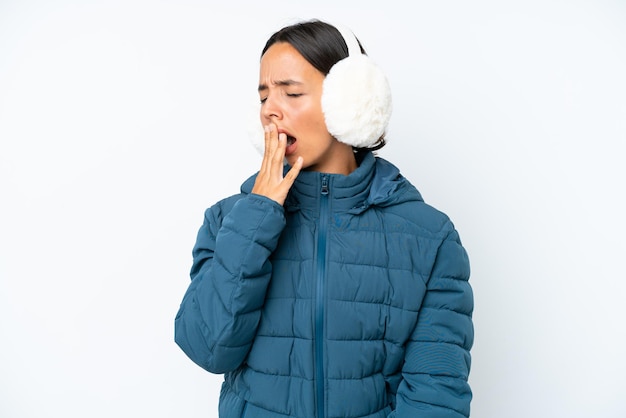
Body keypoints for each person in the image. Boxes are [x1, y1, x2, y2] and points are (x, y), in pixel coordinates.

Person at [175, 19, 473, 418]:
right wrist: (257, 216)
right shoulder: (229, 221)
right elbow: (207, 348)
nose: (270, 112)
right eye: (263, 97)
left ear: (349, 101)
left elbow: (436, 397)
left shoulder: (429, 237)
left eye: (291, 93)